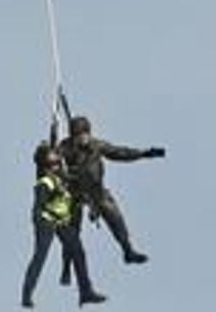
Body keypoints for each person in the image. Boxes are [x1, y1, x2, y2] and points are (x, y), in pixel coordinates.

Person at [58, 115, 165, 269]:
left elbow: (119, 152)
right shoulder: (65, 147)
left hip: (97, 191)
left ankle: (128, 251)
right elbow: (53, 160)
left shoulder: (97, 145)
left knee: (115, 217)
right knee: (72, 230)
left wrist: (143, 154)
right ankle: (67, 265)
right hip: (75, 193)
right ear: (73, 136)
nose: (83, 138)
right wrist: (52, 148)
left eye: (85, 134)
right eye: (78, 135)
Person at [22, 142, 106, 309]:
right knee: (40, 256)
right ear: (44, 167)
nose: (55, 167)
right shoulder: (44, 183)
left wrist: (92, 209)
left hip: (62, 221)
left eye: (57, 163)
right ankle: (27, 295)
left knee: (78, 251)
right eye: (51, 165)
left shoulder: (63, 178)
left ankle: (86, 292)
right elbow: (39, 207)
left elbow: (79, 194)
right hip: (46, 221)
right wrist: (53, 201)